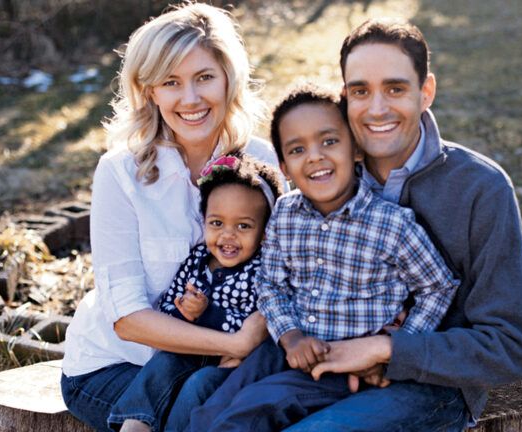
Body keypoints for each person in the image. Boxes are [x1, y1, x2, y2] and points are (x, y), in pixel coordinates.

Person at [284, 19, 522, 431]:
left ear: (426, 92)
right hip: (321, 357)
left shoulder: (481, 189)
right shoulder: (322, 173)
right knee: (207, 400)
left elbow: (513, 346)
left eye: (395, 88)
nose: (377, 108)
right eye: (360, 91)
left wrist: (384, 349)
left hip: (433, 384)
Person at [186, 85, 460, 431]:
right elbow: (270, 283)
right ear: (284, 166)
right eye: (298, 149)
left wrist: (394, 347)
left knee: (250, 413)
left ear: (356, 148)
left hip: (339, 364)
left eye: (329, 141)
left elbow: (438, 286)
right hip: (285, 347)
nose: (314, 156)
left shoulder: (390, 224)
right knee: (214, 408)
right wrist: (291, 336)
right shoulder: (285, 213)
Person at [60, 4, 281, 431]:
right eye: (171, 82)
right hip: (117, 365)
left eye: (204, 78)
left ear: (227, 79)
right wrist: (233, 341)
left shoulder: (261, 162)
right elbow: (127, 318)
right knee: (202, 405)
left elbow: (279, 271)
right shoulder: (120, 172)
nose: (191, 99)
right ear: (149, 91)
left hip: (226, 361)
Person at [108, 155, 284, 432]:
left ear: (264, 232)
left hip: (235, 365)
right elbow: (168, 307)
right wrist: (183, 311)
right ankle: (136, 422)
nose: (228, 235)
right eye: (216, 223)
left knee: (198, 387)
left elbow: (258, 323)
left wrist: (207, 313)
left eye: (243, 226)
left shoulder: (263, 269)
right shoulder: (197, 259)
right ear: (203, 221)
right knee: (164, 362)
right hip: (195, 348)